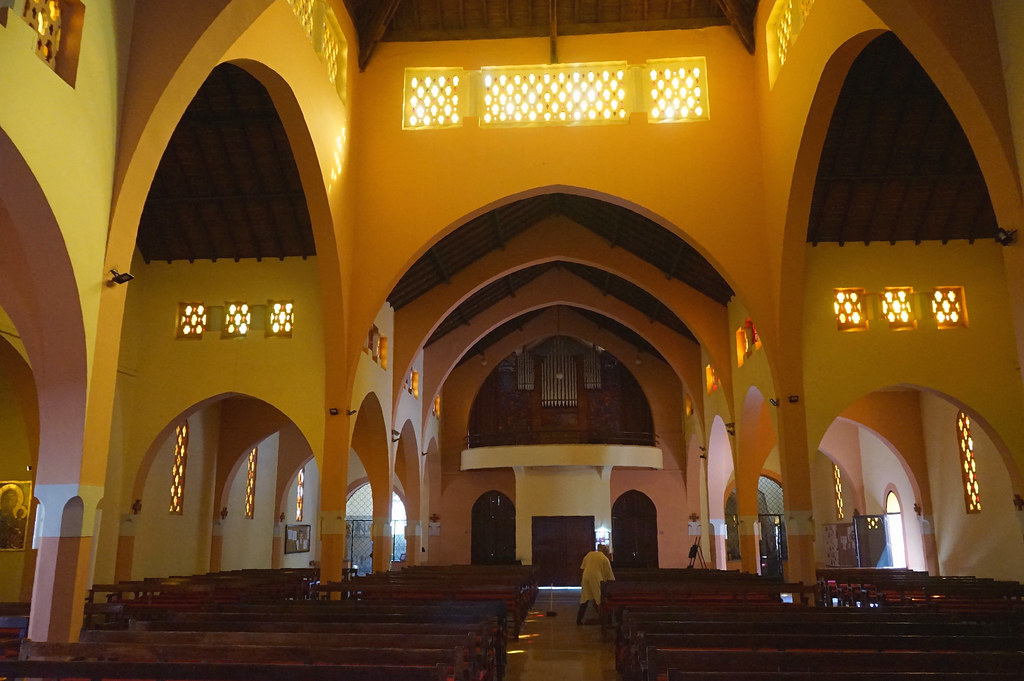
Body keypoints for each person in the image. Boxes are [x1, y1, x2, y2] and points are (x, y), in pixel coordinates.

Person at [577, 543, 614, 625]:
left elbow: (582, 567)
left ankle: (579, 619)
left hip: (586, 577)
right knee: (599, 599)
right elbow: (609, 575)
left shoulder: (589, 554)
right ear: (606, 552)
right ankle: (603, 619)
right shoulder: (604, 558)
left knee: (585, 597)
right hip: (596, 578)